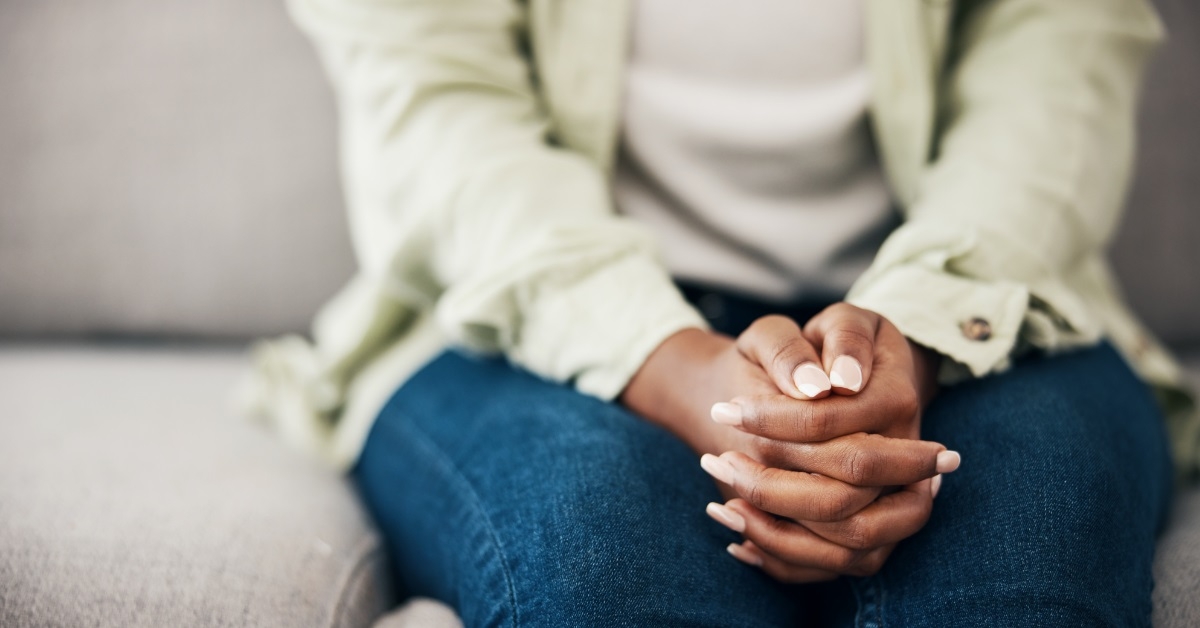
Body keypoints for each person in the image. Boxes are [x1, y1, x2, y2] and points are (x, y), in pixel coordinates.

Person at [246, 0, 1198, 625]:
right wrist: (666, 360)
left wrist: (917, 332)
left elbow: (1056, 74)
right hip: (525, 314)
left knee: (1025, 578)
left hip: (972, 309)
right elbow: (441, 120)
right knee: (604, 573)